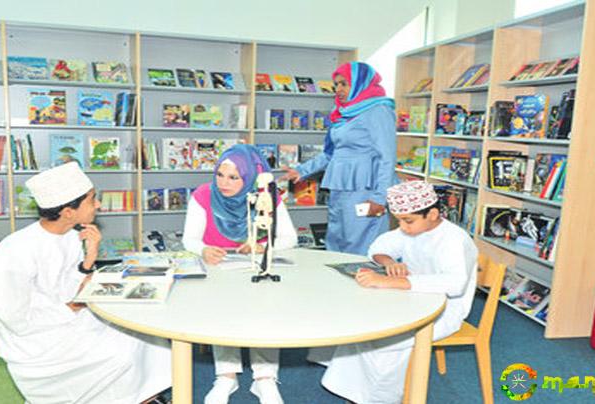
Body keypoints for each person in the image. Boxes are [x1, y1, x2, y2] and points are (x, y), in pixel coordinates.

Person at [0, 162, 172, 404]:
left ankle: (145, 396)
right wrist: (73, 306)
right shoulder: (15, 251)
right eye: (92, 199)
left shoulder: (71, 235)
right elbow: (15, 320)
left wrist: (89, 259)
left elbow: (67, 282)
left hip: (69, 318)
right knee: (120, 352)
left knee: (146, 332)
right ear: (68, 212)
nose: (98, 205)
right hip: (35, 340)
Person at [320, 181, 478, 404]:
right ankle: (358, 393)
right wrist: (389, 262)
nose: (403, 227)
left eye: (408, 220)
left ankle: (379, 399)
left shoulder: (454, 240)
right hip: (414, 299)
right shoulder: (413, 229)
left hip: (445, 311)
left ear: (432, 214)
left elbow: (454, 284)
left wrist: (391, 282)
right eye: (399, 220)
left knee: (385, 338)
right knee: (361, 322)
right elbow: (378, 248)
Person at [182, 144, 297, 404]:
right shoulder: (203, 195)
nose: (223, 183)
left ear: (250, 177)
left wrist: (262, 245)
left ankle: (265, 378)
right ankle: (226, 376)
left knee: (266, 306)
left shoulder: (267, 196)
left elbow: (290, 238)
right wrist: (203, 249)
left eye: (234, 177)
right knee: (222, 309)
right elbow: (189, 239)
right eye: (220, 175)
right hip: (218, 268)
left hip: (256, 266)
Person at [280, 61, 397, 256]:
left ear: (360, 83)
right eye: (336, 85)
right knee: (336, 238)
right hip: (340, 187)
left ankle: (364, 281)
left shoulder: (378, 110)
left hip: (365, 188)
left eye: (344, 84)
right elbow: (331, 153)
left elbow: (388, 157)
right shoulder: (343, 114)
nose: (338, 89)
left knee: (359, 241)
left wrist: (379, 198)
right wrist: (302, 170)